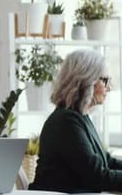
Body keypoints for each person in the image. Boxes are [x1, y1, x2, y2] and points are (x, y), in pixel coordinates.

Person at [29, 49, 122, 192]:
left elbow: (106, 161)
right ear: (86, 81)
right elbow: (97, 177)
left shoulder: (79, 117)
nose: (108, 88)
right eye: (105, 80)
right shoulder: (66, 122)